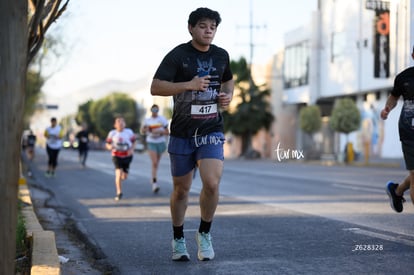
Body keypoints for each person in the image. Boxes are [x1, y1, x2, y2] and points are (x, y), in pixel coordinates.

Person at [150, 7, 234, 261]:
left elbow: (228, 79)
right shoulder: (178, 56)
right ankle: (178, 238)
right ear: (191, 28)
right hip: (183, 133)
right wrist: (189, 84)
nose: (208, 31)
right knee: (182, 190)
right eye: (203, 26)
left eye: (213, 27)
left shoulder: (221, 55)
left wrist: (228, 96)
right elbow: (156, 87)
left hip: (211, 130)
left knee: (211, 182)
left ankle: (204, 233)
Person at [381, 45, 414, 213]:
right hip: (410, 131)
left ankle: (397, 190)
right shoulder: (404, 77)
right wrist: (387, 108)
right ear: (413, 55)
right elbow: (393, 97)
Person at [105, 116, 136, 201]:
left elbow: (134, 142)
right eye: (118, 122)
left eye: (122, 121)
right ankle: (119, 192)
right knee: (118, 173)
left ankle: (124, 174)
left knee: (124, 176)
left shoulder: (129, 132)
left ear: (125, 124)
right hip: (116, 155)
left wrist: (132, 150)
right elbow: (107, 144)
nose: (120, 123)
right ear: (115, 125)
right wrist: (109, 147)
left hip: (127, 156)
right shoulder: (112, 133)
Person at [141, 104, 169, 193]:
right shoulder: (147, 120)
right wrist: (147, 130)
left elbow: (167, 132)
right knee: (154, 162)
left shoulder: (162, 119)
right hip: (151, 142)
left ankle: (153, 177)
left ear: (158, 110)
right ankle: (154, 183)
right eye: (153, 110)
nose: (155, 111)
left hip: (160, 142)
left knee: (156, 164)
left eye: (156, 110)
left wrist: (160, 131)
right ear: (151, 110)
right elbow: (142, 130)